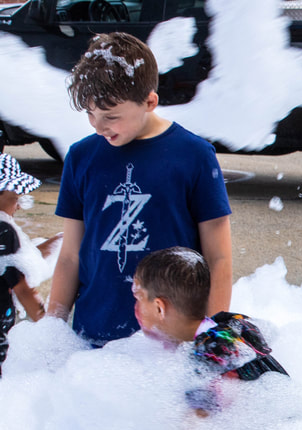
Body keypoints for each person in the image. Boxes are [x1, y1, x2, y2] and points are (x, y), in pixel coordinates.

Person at [47, 32, 232, 346]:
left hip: (169, 343)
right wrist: (51, 331)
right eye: (90, 114)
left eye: (111, 116)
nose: (98, 126)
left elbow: (218, 259)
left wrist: (212, 335)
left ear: (149, 101)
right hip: (92, 338)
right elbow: (69, 257)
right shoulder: (81, 157)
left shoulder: (194, 156)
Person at [132, 247, 288, 418]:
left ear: (159, 308)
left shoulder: (210, 354)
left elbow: (197, 423)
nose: (136, 307)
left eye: (138, 298)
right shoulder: (225, 327)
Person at [0, 154, 62, 376]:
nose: (18, 205)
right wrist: (49, 332)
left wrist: (60, 240)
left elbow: (25, 258)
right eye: (15, 196)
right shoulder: (4, 231)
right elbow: (24, 290)